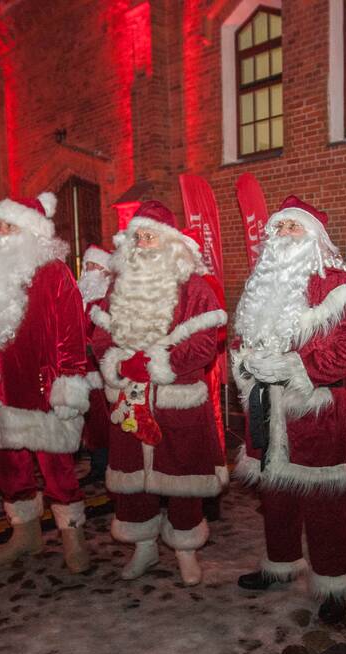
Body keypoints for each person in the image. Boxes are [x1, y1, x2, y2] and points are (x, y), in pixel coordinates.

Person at [231, 196, 346, 624]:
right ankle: (281, 564)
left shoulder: (340, 285)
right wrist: (246, 363)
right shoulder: (260, 283)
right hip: (265, 410)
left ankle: (333, 582)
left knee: (325, 504)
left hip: (316, 414)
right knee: (275, 498)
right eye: (278, 227)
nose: (283, 235)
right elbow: (241, 339)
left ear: (314, 237)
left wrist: (294, 367)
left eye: (292, 227)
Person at [0, 193, 92, 571]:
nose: (1, 234)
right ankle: (25, 534)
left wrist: (69, 384)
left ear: (32, 232)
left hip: (41, 391)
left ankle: (72, 536)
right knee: (10, 469)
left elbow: (72, 336)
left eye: (10, 226)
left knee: (57, 468)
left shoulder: (54, 273)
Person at [89, 201, 227, 586]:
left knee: (182, 478)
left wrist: (159, 363)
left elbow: (205, 342)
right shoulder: (117, 286)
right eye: (138, 237)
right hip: (129, 402)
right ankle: (144, 547)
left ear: (170, 242)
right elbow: (100, 337)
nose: (143, 244)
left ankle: (186, 550)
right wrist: (119, 363)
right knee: (133, 482)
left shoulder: (194, 287)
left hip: (176, 399)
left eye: (150, 236)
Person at [78, 245, 113, 486]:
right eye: (87, 265)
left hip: (102, 369)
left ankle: (108, 464)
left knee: (105, 420)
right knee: (90, 421)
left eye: (95, 265)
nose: (89, 270)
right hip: (83, 369)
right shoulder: (80, 299)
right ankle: (97, 464)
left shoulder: (107, 299)